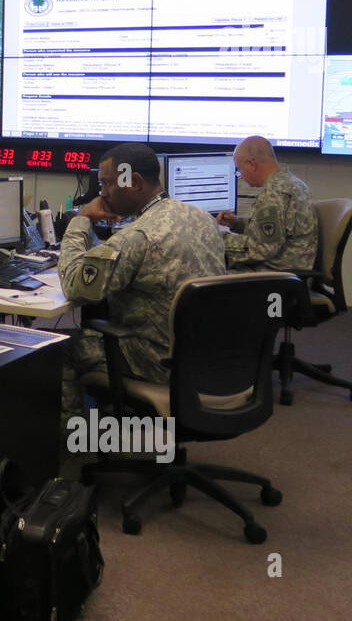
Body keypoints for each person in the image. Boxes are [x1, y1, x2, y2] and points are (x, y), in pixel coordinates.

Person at [56, 143, 226, 474]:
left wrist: (81, 220)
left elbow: (76, 283)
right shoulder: (201, 218)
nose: (101, 193)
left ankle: (74, 453)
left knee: (60, 347)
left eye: (105, 184)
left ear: (133, 182)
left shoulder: (139, 236)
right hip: (209, 360)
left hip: (157, 361)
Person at [218, 135, 318, 273]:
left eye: (239, 169)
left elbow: (262, 248)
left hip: (276, 277)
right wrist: (236, 224)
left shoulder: (274, 193)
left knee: (207, 278)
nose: (240, 176)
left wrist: (218, 238)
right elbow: (274, 232)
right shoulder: (291, 182)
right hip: (289, 272)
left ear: (252, 164)